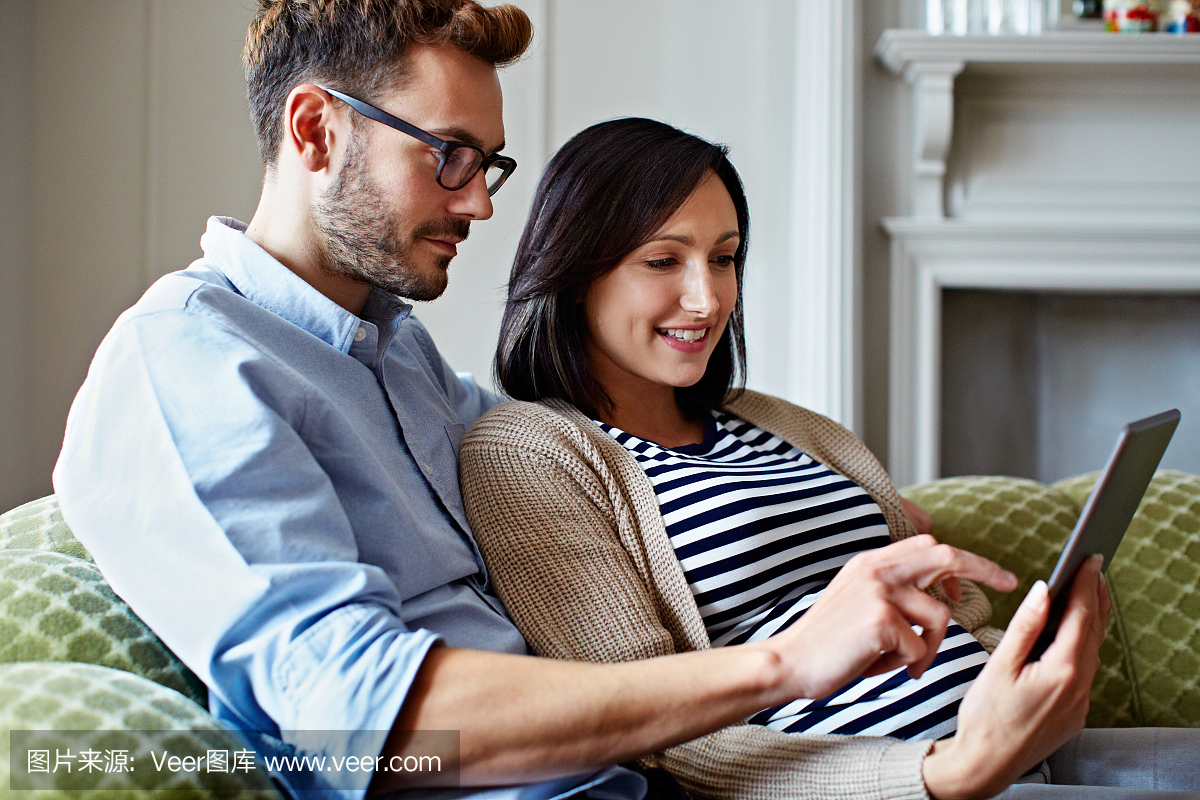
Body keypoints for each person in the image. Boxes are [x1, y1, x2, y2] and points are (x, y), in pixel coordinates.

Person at [50, 3, 1025, 800]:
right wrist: (786, 660)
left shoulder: (397, 354)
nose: (480, 203)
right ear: (315, 130)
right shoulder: (190, 361)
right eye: (448, 155)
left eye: (489, 163)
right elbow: (361, 717)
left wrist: (846, 511)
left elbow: (592, 446)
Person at [458, 118, 1200, 799]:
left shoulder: (775, 422)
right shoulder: (528, 453)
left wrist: (1028, 659)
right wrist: (942, 773)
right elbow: (650, 731)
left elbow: (951, 611)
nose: (707, 299)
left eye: (724, 259)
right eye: (662, 260)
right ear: (573, 273)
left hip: (1008, 749)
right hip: (900, 782)